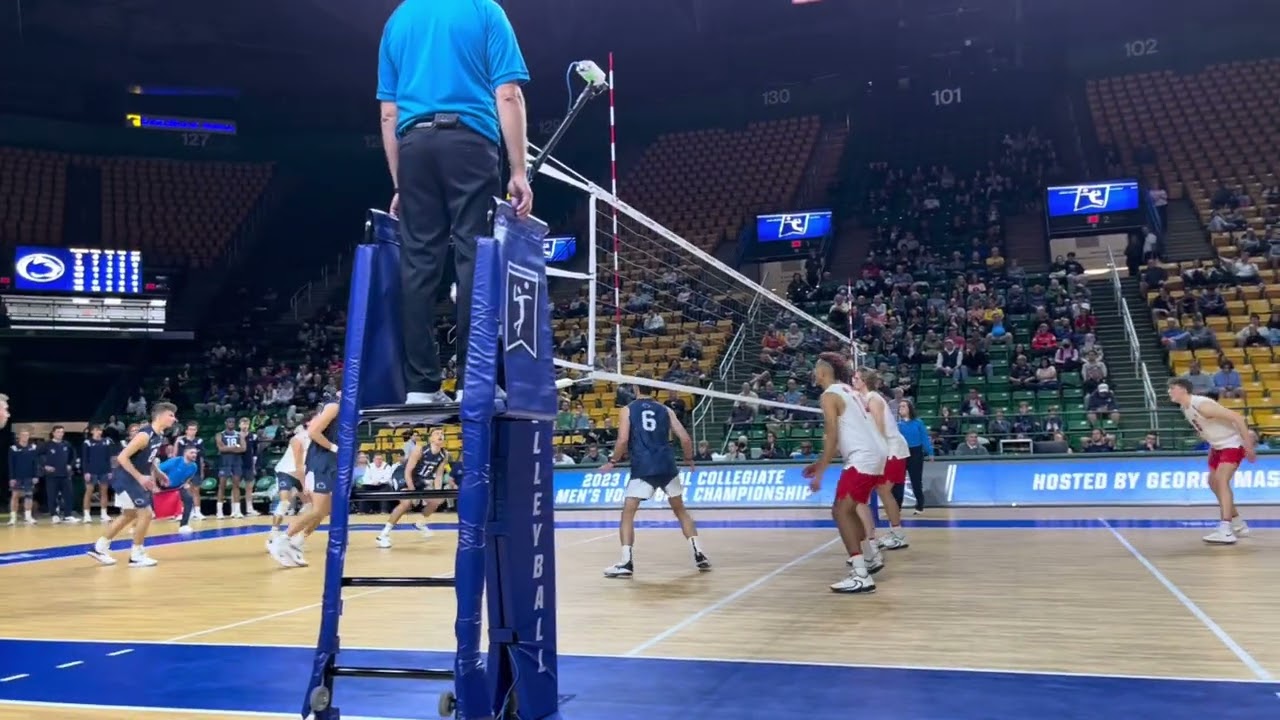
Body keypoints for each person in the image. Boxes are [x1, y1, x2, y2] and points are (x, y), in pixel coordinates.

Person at [376, 0, 532, 405]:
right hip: (469, 143)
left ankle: (420, 387)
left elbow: (389, 115)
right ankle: (472, 381)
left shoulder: (398, 20)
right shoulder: (484, 9)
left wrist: (400, 184)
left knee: (417, 264)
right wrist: (518, 170)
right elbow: (508, 94)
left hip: (413, 147)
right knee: (474, 259)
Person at [600, 381, 708, 578]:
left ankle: (626, 562)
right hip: (667, 465)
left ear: (636, 389)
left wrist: (612, 461)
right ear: (653, 388)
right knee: (681, 511)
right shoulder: (666, 409)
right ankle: (699, 553)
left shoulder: (627, 409)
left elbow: (622, 440)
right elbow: (685, 438)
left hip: (644, 466)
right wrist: (688, 459)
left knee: (628, 514)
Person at [803, 353, 887, 594]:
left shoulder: (829, 395)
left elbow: (832, 436)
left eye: (816, 369)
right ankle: (869, 558)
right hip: (876, 453)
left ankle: (861, 575)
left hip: (863, 456)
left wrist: (820, 471)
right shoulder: (848, 390)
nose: (813, 373)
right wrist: (820, 463)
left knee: (840, 511)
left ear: (823, 372)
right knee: (849, 509)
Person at [86, 402, 178, 567]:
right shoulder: (144, 435)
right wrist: (140, 477)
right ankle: (136, 555)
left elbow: (148, 458)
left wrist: (158, 472)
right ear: (160, 416)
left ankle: (99, 547)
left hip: (132, 478)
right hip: (127, 478)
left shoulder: (159, 435)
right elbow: (122, 457)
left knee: (129, 514)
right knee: (146, 513)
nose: (174, 419)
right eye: (170, 415)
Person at [1167, 378, 1254, 544]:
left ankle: (1226, 529)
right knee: (1213, 482)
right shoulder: (1185, 408)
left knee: (1221, 481)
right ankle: (1238, 524)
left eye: (1172, 388)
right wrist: (1211, 448)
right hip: (1217, 447)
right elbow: (1206, 429)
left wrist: (1248, 446)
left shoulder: (1202, 405)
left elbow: (1238, 418)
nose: (1169, 392)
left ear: (1183, 389)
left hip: (1232, 444)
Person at [269, 391, 341, 568]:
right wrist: (335, 448)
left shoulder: (343, 411)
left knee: (325, 510)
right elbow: (313, 432)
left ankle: (297, 542)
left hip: (328, 464)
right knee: (315, 509)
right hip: (315, 465)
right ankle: (281, 539)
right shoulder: (334, 406)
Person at [859, 371, 908, 550]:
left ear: (864, 381)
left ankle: (896, 534)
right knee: (883, 491)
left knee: (883, 491)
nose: (853, 380)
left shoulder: (873, 398)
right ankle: (897, 533)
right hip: (888, 448)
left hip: (892, 449)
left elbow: (878, 428)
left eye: (856, 378)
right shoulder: (867, 398)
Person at [376, 428, 449, 549]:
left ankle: (420, 523)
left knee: (436, 501)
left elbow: (439, 475)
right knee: (406, 503)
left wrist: (437, 492)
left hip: (420, 479)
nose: (440, 435)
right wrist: (412, 491)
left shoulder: (444, 454)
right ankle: (383, 535)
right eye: (437, 433)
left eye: (442, 433)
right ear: (430, 438)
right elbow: (408, 471)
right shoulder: (420, 450)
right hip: (403, 475)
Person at [269, 418, 312, 549]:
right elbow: (298, 464)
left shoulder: (316, 439)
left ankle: (292, 530)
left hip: (301, 474)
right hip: (286, 471)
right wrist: (305, 485)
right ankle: (273, 535)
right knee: (285, 503)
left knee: (309, 506)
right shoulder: (299, 437)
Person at [896, 402, 934, 514]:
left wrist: (930, 452)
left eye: (903, 406)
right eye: (900, 406)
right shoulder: (897, 425)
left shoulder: (918, 422)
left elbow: (924, 438)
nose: (901, 408)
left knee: (916, 480)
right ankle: (897, 506)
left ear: (909, 409)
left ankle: (920, 505)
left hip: (916, 453)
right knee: (899, 481)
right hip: (901, 452)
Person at [157, 445, 201, 534]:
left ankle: (184, 525)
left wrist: (185, 483)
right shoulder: (174, 461)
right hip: (160, 485)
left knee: (189, 499)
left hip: (177, 487)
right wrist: (156, 484)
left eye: (195, 453)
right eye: (192, 453)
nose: (194, 455)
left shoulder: (194, 466)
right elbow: (156, 469)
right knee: (145, 506)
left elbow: (189, 477)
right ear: (185, 453)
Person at [81, 425, 116, 524]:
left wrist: (110, 471)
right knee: (89, 491)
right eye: (96, 430)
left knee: (104, 492)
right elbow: (85, 458)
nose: (99, 432)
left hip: (104, 470)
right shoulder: (87, 442)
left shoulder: (106, 442)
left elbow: (108, 457)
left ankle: (104, 514)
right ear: (92, 431)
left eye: (100, 430)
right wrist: (86, 472)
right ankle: (87, 515)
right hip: (91, 471)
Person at [173, 421, 206, 521]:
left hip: (196, 468)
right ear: (186, 431)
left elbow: (201, 457)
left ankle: (197, 512)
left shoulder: (199, 441)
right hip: (184, 469)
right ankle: (184, 512)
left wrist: (202, 470)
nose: (192, 431)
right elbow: (177, 455)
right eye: (190, 429)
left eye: (194, 429)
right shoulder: (182, 441)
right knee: (184, 491)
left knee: (196, 490)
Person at [215, 417, 246, 519]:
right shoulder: (220, 434)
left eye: (233, 422)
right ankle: (219, 511)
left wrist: (228, 448)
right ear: (225, 423)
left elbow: (243, 448)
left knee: (236, 485)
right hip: (224, 462)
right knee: (222, 486)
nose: (231, 423)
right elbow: (221, 449)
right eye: (229, 422)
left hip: (236, 462)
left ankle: (237, 511)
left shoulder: (239, 435)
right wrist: (235, 447)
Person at [7, 428, 39, 525]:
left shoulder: (33, 447)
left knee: (29, 496)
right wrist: (12, 478)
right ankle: (13, 518)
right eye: (23, 435)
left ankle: (28, 517)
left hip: (29, 476)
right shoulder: (13, 448)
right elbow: (11, 464)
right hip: (17, 477)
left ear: (29, 436)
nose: (25, 437)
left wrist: (35, 476)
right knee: (15, 496)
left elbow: (36, 463)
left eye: (27, 435)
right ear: (19, 436)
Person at [238, 417, 261, 517]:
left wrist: (254, 466)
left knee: (249, 488)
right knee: (235, 487)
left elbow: (255, 453)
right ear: (239, 425)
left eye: (247, 424)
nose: (245, 426)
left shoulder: (254, 436)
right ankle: (236, 510)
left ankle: (249, 509)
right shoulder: (235, 436)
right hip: (238, 465)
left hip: (249, 465)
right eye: (243, 424)